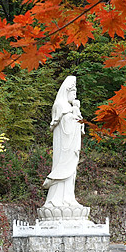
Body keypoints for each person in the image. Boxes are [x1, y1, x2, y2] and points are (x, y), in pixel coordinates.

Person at [42, 75, 84, 208]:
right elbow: (66, 126)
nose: (75, 96)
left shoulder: (71, 107)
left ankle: (69, 198)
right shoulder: (60, 105)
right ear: (67, 91)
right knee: (63, 169)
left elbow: (78, 124)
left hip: (71, 147)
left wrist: (76, 111)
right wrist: (73, 113)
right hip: (64, 147)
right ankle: (56, 200)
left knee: (71, 173)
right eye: (74, 92)